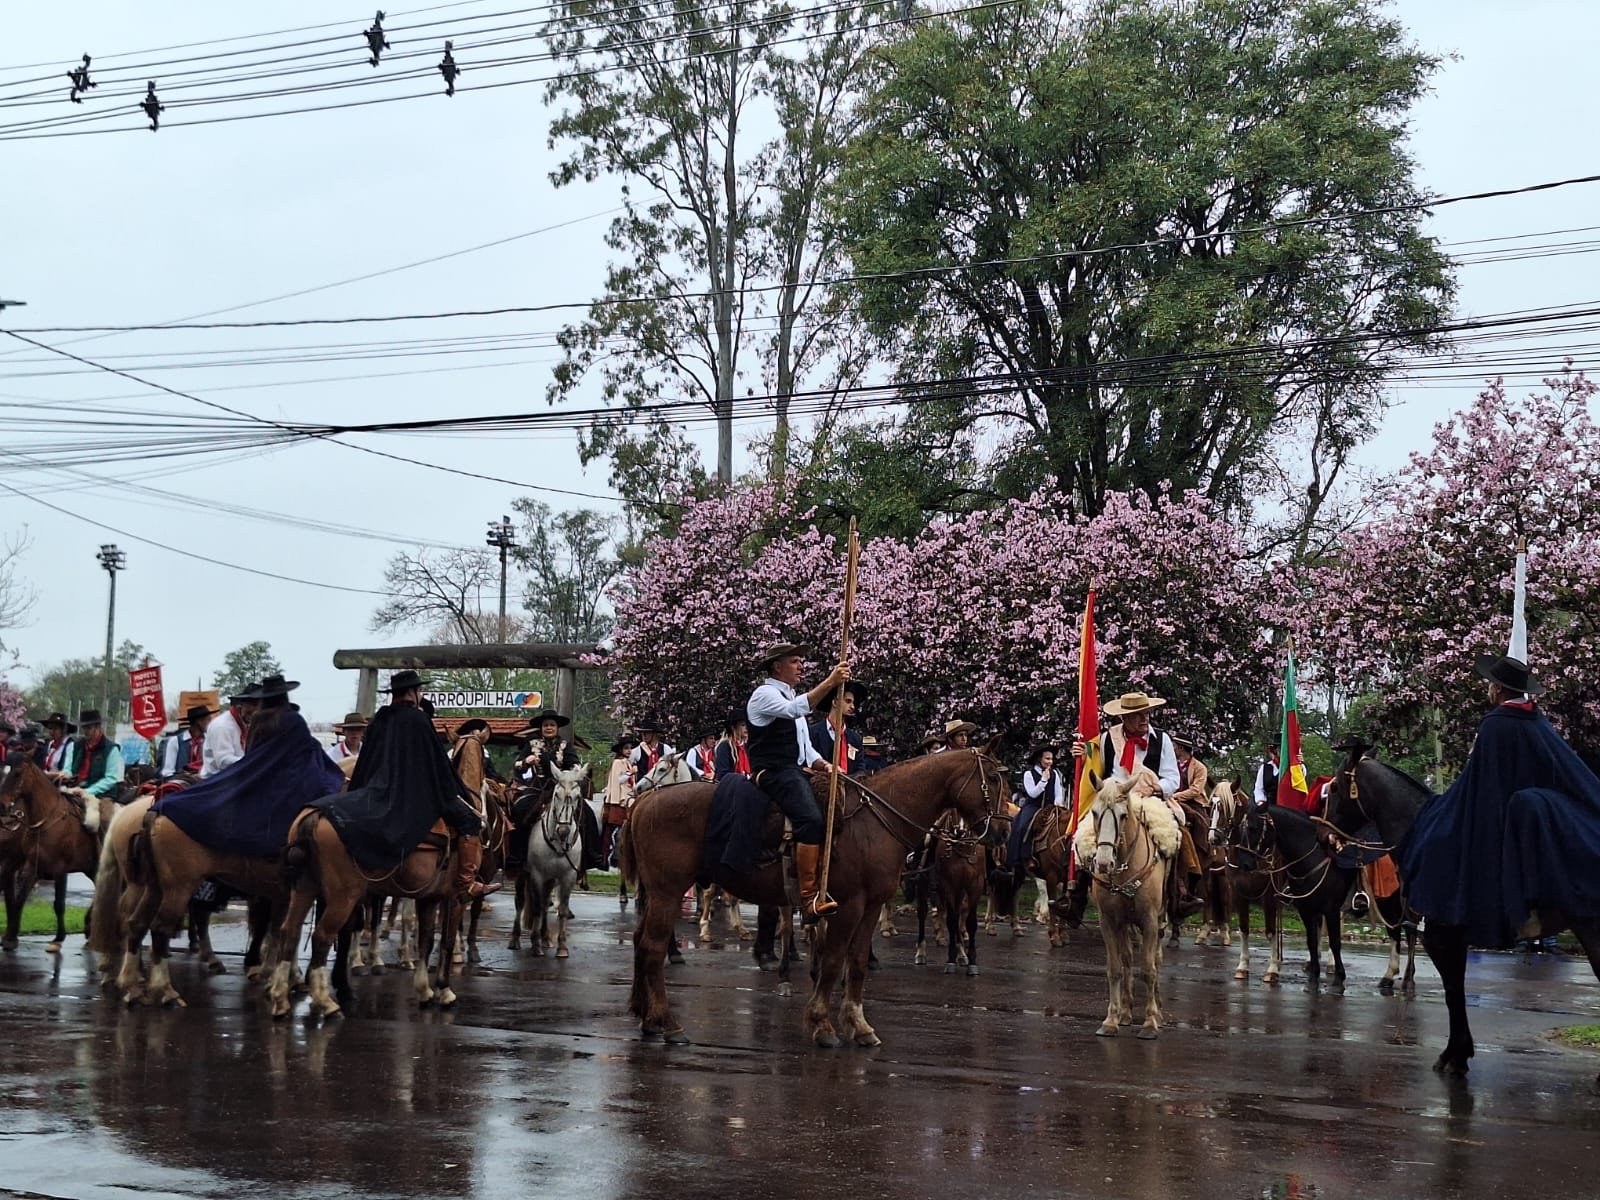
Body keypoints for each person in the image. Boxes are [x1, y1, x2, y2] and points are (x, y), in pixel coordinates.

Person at [1399, 654, 1600, 948]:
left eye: (1491, 684)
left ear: (1500, 689)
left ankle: (1445, 913)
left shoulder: (1495, 724)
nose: (1489, 689)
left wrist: (1445, 807)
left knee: (1437, 838)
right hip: (1534, 810)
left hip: (1505, 814)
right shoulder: (1536, 720)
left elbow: (1478, 782)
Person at [306, 670, 496, 897]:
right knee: (471, 821)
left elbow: (367, 761)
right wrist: (456, 791)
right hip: (418, 795)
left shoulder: (378, 721)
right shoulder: (419, 720)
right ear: (412, 693)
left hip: (376, 791)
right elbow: (436, 764)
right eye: (419, 690)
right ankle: (467, 882)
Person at [1060, 690, 1195, 925]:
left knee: (1177, 832)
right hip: (1113, 800)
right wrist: (1082, 753)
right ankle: (1075, 894)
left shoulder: (1162, 739)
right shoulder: (1106, 739)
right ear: (1124, 718)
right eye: (1138, 715)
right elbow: (1094, 769)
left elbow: (1173, 778)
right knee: (1080, 836)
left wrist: (1155, 789)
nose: (1144, 719)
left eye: (1146, 714)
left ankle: (1179, 894)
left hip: (1149, 799)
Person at [746, 642, 849, 922]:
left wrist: (826, 766)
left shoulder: (789, 694)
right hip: (774, 771)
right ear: (777, 666)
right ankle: (808, 898)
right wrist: (831, 681)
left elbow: (805, 749)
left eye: (800, 661)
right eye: (794, 661)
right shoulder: (764, 695)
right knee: (811, 820)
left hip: (795, 768)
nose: (801, 666)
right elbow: (794, 710)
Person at [515, 708, 603, 875]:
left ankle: (592, 855)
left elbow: (574, 763)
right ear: (541, 727)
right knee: (520, 809)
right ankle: (517, 855)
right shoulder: (531, 743)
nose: (548, 728)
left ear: (556, 728)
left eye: (552, 725)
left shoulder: (565, 745)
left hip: (562, 786)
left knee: (587, 813)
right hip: (538, 786)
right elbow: (517, 765)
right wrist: (527, 760)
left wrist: (573, 771)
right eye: (546, 725)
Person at [1007, 743, 1064, 872]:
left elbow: (1058, 791)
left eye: (1051, 759)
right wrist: (1043, 781)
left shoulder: (1054, 774)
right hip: (1033, 806)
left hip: (1050, 806)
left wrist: (1058, 803)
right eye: (1047, 759)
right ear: (1040, 759)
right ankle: (1025, 856)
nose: (1050, 762)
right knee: (1023, 826)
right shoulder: (1028, 774)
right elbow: (1032, 793)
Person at [59, 708, 124, 808]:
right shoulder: (76, 746)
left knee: (105, 818)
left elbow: (110, 779)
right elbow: (68, 768)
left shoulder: (111, 749)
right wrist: (65, 775)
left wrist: (87, 791)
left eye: (89, 728)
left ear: (98, 727)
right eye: (84, 727)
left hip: (102, 795)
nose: (85, 731)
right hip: (74, 789)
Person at [809, 680, 867, 773]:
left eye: (853, 703)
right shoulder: (812, 733)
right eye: (848, 701)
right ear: (835, 702)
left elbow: (860, 769)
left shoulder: (855, 739)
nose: (852, 706)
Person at [201, 691, 257, 778]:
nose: (255, 712)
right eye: (251, 707)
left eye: (257, 707)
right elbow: (223, 761)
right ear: (239, 706)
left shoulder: (243, 724)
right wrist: (253, 762)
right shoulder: (222, 726)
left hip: (233, 777)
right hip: (216, 781)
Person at [159, 704, 217, 782]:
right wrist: (188, 779)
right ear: (199, 722)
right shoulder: (175, 741)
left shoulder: (209, 740)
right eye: (208, 720)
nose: (211, 723)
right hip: (182, 786)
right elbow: (167, 772)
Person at [712, 713, 750, 779]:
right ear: (733, 728)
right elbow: (723, 773)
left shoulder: (746, 746)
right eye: (743, 725)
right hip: (730, 785)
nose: (746, 728)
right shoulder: (725, 746)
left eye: (747, 724)